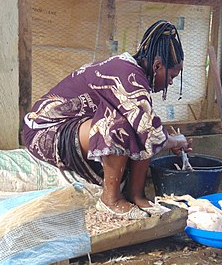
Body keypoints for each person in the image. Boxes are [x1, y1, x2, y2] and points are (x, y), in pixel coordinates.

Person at [23, 20, 192, 220]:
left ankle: (135, 194)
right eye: (172, 76)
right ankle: (110, 200)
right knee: (119, 126)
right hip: (45, 132)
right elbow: (148, 130)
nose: (170, 83)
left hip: (72, 128)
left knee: (141, 123)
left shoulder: (131, 73)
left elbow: (146, 125)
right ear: (157, 66)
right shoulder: (128, 74)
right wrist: (177, 140)